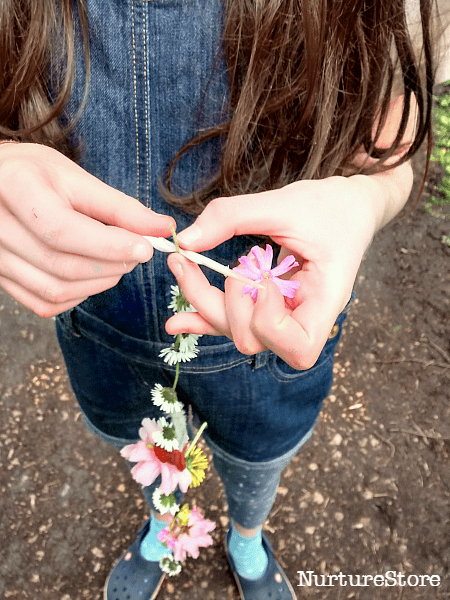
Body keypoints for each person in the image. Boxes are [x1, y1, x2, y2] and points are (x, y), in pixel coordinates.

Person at [0, 1, 449, 599]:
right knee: (153, 451)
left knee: (255, 464)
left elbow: (390, 156)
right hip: (100, 336)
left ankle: (247, 535)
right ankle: (168, 522)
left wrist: (365, 200)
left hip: (266, 354)